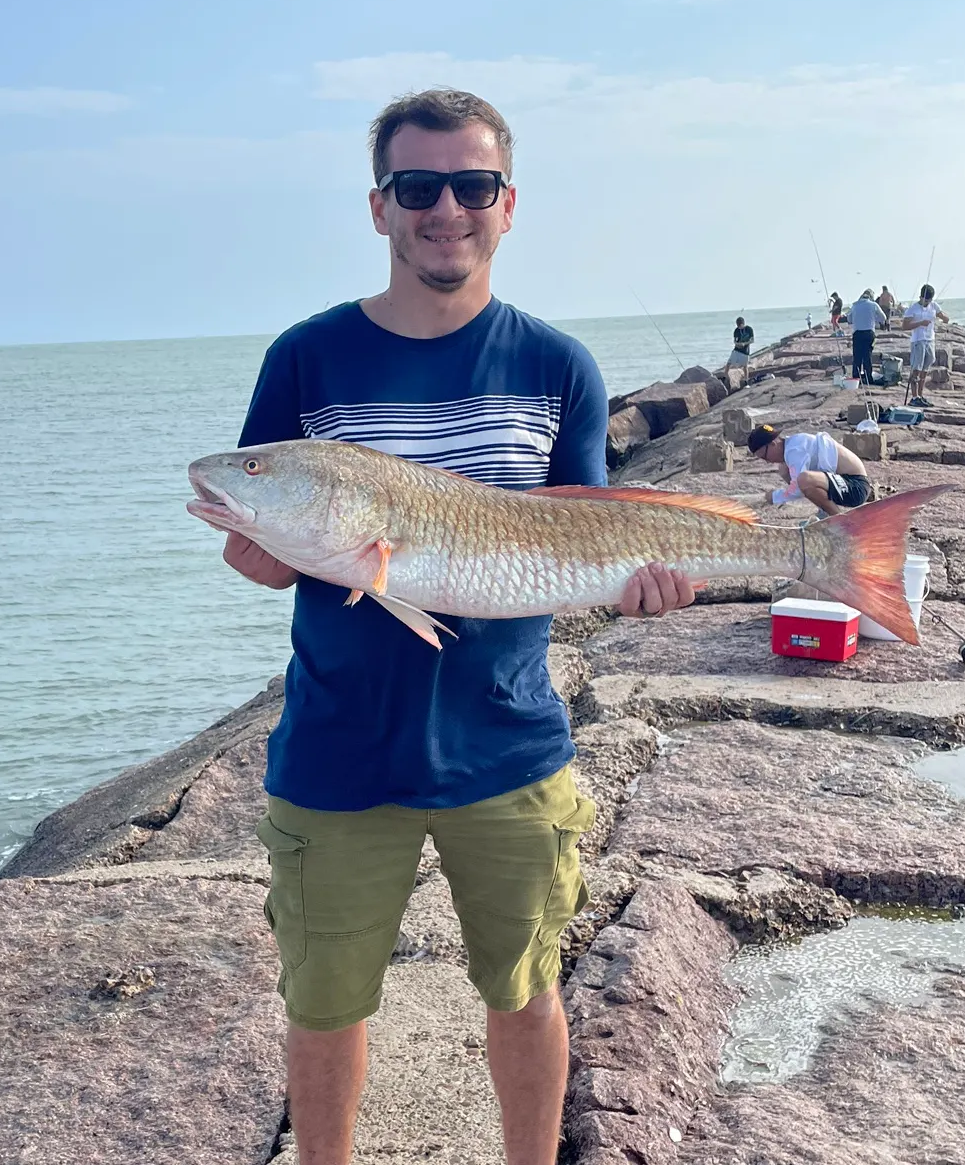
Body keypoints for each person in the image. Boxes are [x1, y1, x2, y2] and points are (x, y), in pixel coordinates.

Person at [221, 89, 696, 1165]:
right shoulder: (307, 359)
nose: (447, 208)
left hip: (510, 744)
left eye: (471, 186)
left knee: (526, 991)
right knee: (326, 1006)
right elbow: (267, 533)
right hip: (338, 747)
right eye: (419, 187)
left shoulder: (557, 366)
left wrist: (641, 581)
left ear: (507, 204)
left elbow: (583, 536)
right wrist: (256, 548)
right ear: (379, 207)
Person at [746, 424, 872, 515]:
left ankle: (838, 519)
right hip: (843, 483)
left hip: (856, 486)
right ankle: (825, 512)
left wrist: (774, 497)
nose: (767, 461)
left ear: (773, 444)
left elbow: (798, 488)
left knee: (804, 479)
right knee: (785, 470)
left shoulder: (795, 449)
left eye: (764, 456)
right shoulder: (791, 446)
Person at [901, 283, 950, 405]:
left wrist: (944, 318)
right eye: (925, 299)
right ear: (920, 297)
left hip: (930, 340)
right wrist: (920, 323)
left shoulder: (933, 306)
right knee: (916, 368)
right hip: (918, 340)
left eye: (929, 300)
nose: (927, 302)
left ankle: (921, 395)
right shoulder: (913, 309)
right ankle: (914, 397)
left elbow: (944, 317)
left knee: (926, 367)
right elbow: (904, 326)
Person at [847, 288, 886, 384]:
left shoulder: (855, 306)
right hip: (869, 333)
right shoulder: (873, 305)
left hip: (857, 333)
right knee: (867, 356)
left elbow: (849, 319)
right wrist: (874, 319)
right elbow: (883, 318)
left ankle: (856, 378)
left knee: (857, 357)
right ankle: (868, 377)